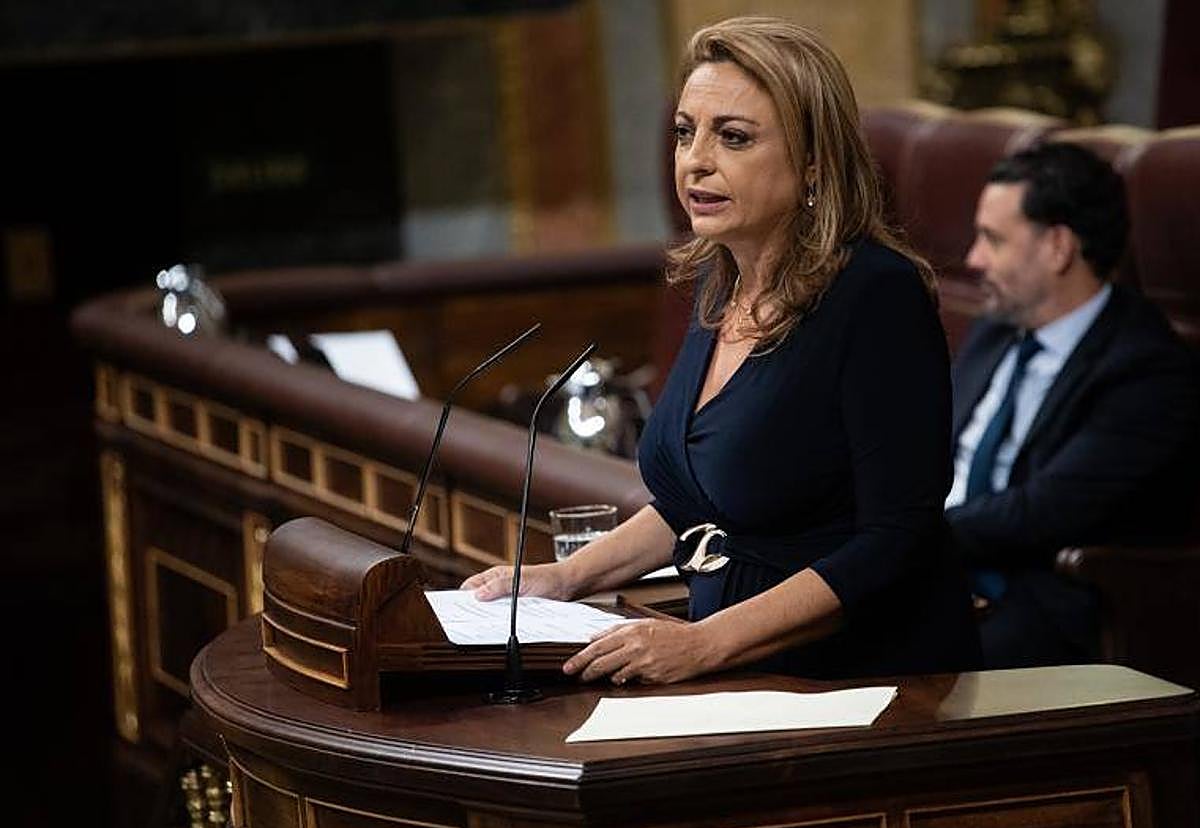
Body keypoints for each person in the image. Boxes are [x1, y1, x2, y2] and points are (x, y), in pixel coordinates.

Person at [463, 16, 980, 683]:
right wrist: (562, 579)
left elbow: (896, 538)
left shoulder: (876, 294)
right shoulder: (722, 277)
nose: (695, 160)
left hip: (865, 682)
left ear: (815, 162)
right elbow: (690, 503)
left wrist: (706, 644)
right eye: (685, 132)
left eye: (733, 137)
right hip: (741, 672)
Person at [946, 142, 1199, 668]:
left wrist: (905, 537)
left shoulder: (1146, 371)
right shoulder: (997, 328)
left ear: (1058, 247)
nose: (973, 259)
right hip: (940, 568)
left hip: (1033, 598)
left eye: (993, 239)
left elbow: (1044, 511)